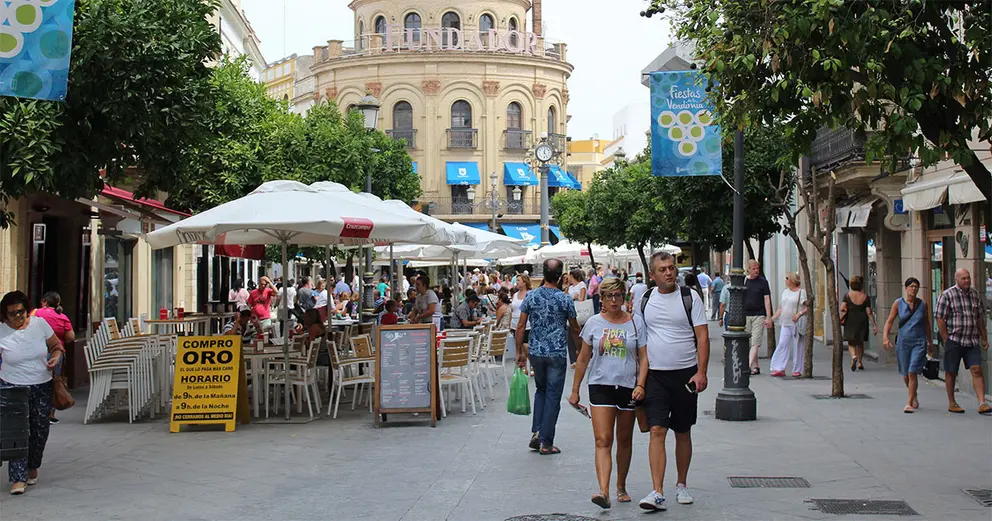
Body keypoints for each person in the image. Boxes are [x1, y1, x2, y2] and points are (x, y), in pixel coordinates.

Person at [635, 252, 709, 511]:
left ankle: (682, 483)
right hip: (655, 375)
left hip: (685, 374)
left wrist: (701, 371)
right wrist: (637, 378)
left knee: (683, 431)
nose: (669, 273)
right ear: (653, 275)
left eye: (672, 268)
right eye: (663, 269)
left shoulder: (690, 297)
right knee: (656, 430)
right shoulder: (645, 299)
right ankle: (657, 491)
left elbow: (702, 336)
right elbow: (639, 338)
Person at [568, 277, 648, 509]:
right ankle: (603, 491)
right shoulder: (593, 323)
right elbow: (583, 359)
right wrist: (575, 390)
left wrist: (641, 384)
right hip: (600, 385)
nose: (614, 300)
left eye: (618, 295)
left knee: (624, 439)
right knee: (603, 439)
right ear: (601, 298)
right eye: (609, 296)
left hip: (628, 387)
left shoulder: (636, 323)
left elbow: (644, 358)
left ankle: (620, 485)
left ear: (624, 297)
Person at [0, 290, 64, 495]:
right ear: (4, 314)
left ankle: (32, 467)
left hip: (41, 385)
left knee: (39, 430)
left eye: (21, 311)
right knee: (17, 432)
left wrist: (56, 358)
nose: (18, 316)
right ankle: (17, 478)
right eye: (12, 313)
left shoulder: (39, 324)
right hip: (12, 387)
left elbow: (57, 345)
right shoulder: (1, 331)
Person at [516, 259, 578, 456]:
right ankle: (546, 442)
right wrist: (580, 350)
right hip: (557, 353)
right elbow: (575, 327)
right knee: (553, 395)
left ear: (543, 273)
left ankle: (537, 431)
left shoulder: (531, 297)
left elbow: (520, 326)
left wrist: (519, 352)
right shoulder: (565, 299)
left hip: (536, 352)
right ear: (560, 276)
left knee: (541, 391)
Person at [935, 268, 989, 414]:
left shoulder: (975, 295)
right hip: (955, 339)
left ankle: (982, 402)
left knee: (977, 369)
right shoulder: (947, 295)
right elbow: (940, 318)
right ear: (956, 280)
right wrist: (946, 338)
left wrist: (984, 337)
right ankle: (952, 402)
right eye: (964, 278)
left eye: (968, 278)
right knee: (951, 371)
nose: (967, 281)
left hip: (971, 340)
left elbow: (979, 317)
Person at [882, 277, 933, 413]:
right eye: (911, 286)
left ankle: (909, 402)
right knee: (905, 374)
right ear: (906, 288)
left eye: (916, 287)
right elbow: (890, 321)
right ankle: (913, 395)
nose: (913, 289)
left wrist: (929, 341)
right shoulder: (898, 303)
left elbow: (926, 324)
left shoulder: (923, 305)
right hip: (904, 342)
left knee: (912, 372)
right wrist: (885, 337)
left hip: (919, 342)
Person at [31, 292, 75, 424]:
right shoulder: (62, 317)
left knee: (36, 380)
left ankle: (36, 409)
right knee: (54, 382)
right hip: (57, 352)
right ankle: (51, 414)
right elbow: (70, 337)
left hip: (38, 351)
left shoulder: (36, 313)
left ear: (44, 302)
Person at [768, 273, 808, 377]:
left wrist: (799, 314)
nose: (785, 280)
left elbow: (807, 307)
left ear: (792, 280)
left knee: (798, 345)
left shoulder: (801, 292)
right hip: (785, 322)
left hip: (796, 322)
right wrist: (772, 319)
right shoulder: (785, 292)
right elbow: (780, 308)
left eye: (787, 278)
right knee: (782, 343)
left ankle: (797, 369)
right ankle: (779, 367)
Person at [840, 275, 877, 371]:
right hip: (862, 320)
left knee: (851, 342)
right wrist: (874, 325)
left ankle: (853, 356)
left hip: (850, 320)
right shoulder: (865, 297)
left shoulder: (847, 295)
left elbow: (842, 308)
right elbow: (869, 312)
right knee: (860, 343)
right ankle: (860, 362)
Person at [743, 260, 772, 375]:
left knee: (755, 342)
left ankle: (747, 366)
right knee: (748, 342)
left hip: (759, 314)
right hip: (746, 315)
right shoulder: (744, 281)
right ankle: (756, 366)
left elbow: (767, 299)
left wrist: (768, 316)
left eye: (757, 268)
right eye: (753, 269)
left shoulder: (763, 282)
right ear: (748, 269)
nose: (756, 271)